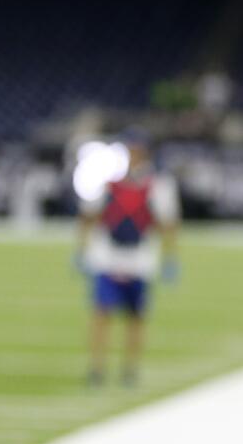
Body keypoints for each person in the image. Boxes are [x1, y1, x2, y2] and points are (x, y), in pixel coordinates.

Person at [75, 133, 180, 386]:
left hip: (139, 260)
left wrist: (171, 258)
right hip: (108, 257)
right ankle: (97, 368)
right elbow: (89, 215)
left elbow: (167, 223)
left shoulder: (157, 185)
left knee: (135, 317)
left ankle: (129, 369)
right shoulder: (109, 182)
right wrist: (81, 249)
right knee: (102, 314)